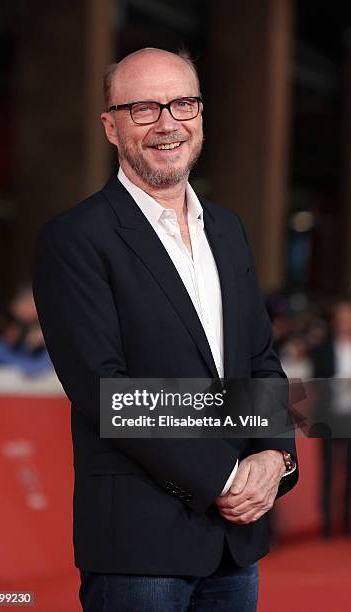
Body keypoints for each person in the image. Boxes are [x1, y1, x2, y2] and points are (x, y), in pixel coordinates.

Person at [33, 48, 298, 612]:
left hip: (235, 548)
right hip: (139, 546)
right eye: (143, 108)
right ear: (111, 125)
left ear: (200, 114)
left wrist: (275, 456)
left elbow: (260, 361)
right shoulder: (76, 238)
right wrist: (225, 477)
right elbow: (106, 391)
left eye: (182, 104)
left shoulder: (227, 230)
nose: (167, 123)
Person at [311, 298, 351, 537]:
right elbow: (317, 384)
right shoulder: (322, 350)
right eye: (342, 318)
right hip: (329, 416)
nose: (345, 322)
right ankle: (326, 523)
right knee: (327, 470)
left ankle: (347, 522)